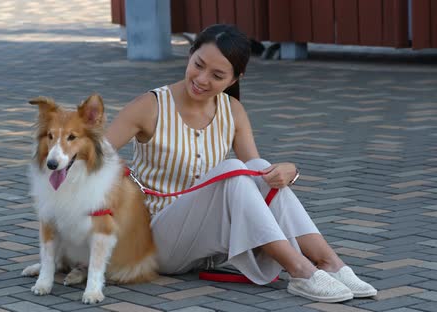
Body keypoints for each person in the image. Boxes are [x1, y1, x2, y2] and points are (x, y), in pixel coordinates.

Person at [106, 24, 377, 303]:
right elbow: (89, 155)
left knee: (257, 167)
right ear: (190, 55)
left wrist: (289, 171)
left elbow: (258, 175)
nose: (201, 78)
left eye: (217, 75)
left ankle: (329, 262)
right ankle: (300, 269)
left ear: (236, 78)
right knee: (234, 170)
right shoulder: (150, 106)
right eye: (198, 65)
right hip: (155, 244)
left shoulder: (232, 111)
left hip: (208, 247)